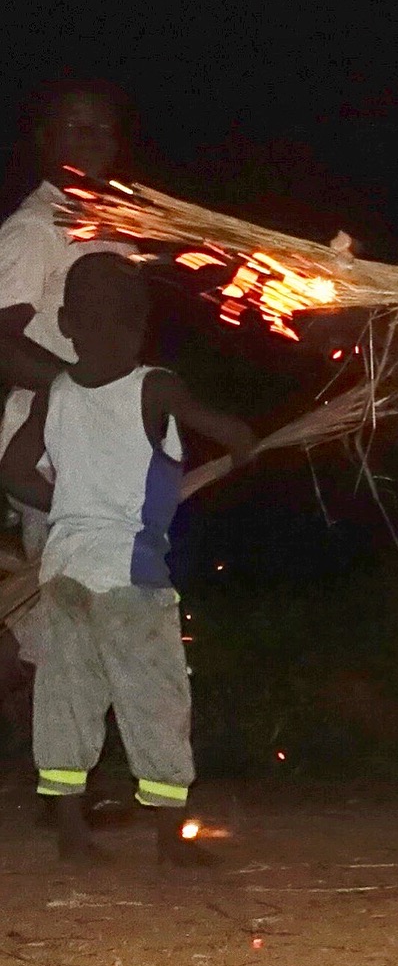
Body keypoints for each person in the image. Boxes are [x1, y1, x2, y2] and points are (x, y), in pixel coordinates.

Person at [0, 253, 255, 865]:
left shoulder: (53, 392)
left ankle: (70, 831)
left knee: (66, 695)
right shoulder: (156, 385)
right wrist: (246, 450)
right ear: (141, 326)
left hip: (64, 568)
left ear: (65, 323)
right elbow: (233, 435)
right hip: (130, 572)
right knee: (154, 695)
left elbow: (11, 470)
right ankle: (170, 837)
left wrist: (69, 502)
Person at [0, 84, 134, 722]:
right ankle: (65, 783)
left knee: (101, 605)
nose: (93, 139)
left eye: (103, 128)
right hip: (49, 446)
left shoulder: (114, 227)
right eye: (75, 126)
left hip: (107, 442)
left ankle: (72, 769)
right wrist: (83, 399)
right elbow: (5, 344)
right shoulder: (32, 229)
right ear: (42, 142)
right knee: (66, 611)